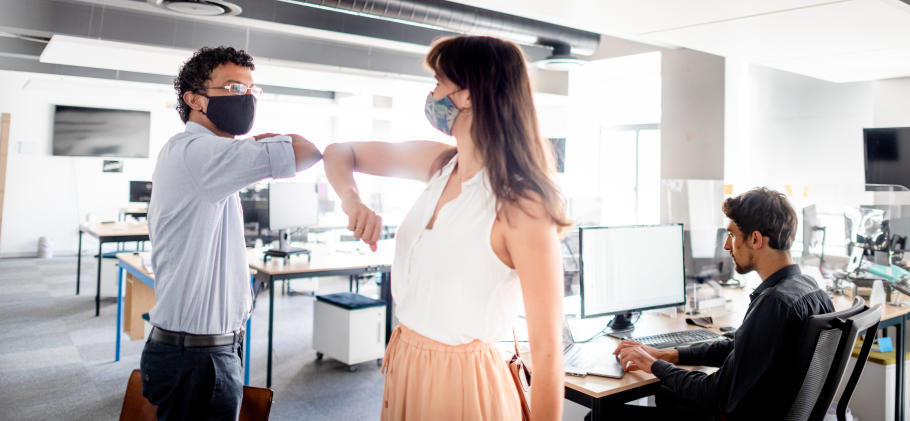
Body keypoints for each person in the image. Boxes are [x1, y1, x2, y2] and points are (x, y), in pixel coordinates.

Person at [323, 36, 567, 420]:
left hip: (466, 384)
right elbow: (339, 152)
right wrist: (352, 201)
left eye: (437, 82)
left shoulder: (521, 206)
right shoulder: (439, 164)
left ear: (469, 94)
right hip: (406, 362)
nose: (431, 94)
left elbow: (548, 352)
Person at [141, 46, 322, 420]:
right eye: (234, 87)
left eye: (252, 90)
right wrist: (269, 142)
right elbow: (308, 151)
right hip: (196, 356)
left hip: (203, 349)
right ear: (194, 99)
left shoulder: (202, 154)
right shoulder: (198, 152)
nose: (247, 98)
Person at [613, 187, 835, 420]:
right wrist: (668, 355)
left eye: (732, 235)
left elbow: (717, 394)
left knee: (605, 415)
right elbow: (740, 351)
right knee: (669, 393)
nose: (727, 246)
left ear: (756, 239)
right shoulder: (810, 289)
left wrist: (652, 365)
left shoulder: (774, 303)